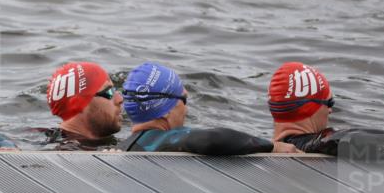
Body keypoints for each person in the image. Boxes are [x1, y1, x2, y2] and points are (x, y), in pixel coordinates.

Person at [119, 63, 298, 154]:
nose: (185, 110)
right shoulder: (161, 140)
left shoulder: (121, 149)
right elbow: (214, 139)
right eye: (183, 99)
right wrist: (273, 147)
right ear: (165, 110)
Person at [268, 62, 384, 155]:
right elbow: (340, 139)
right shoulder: (309, 146)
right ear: (310, 107)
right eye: (330, 102)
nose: (330, 110)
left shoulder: (264, 147)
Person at [42, 62, 122, 150]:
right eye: (109, 92)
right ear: (79, 105)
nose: (120, 99)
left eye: (114, 90)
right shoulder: (68, 152)